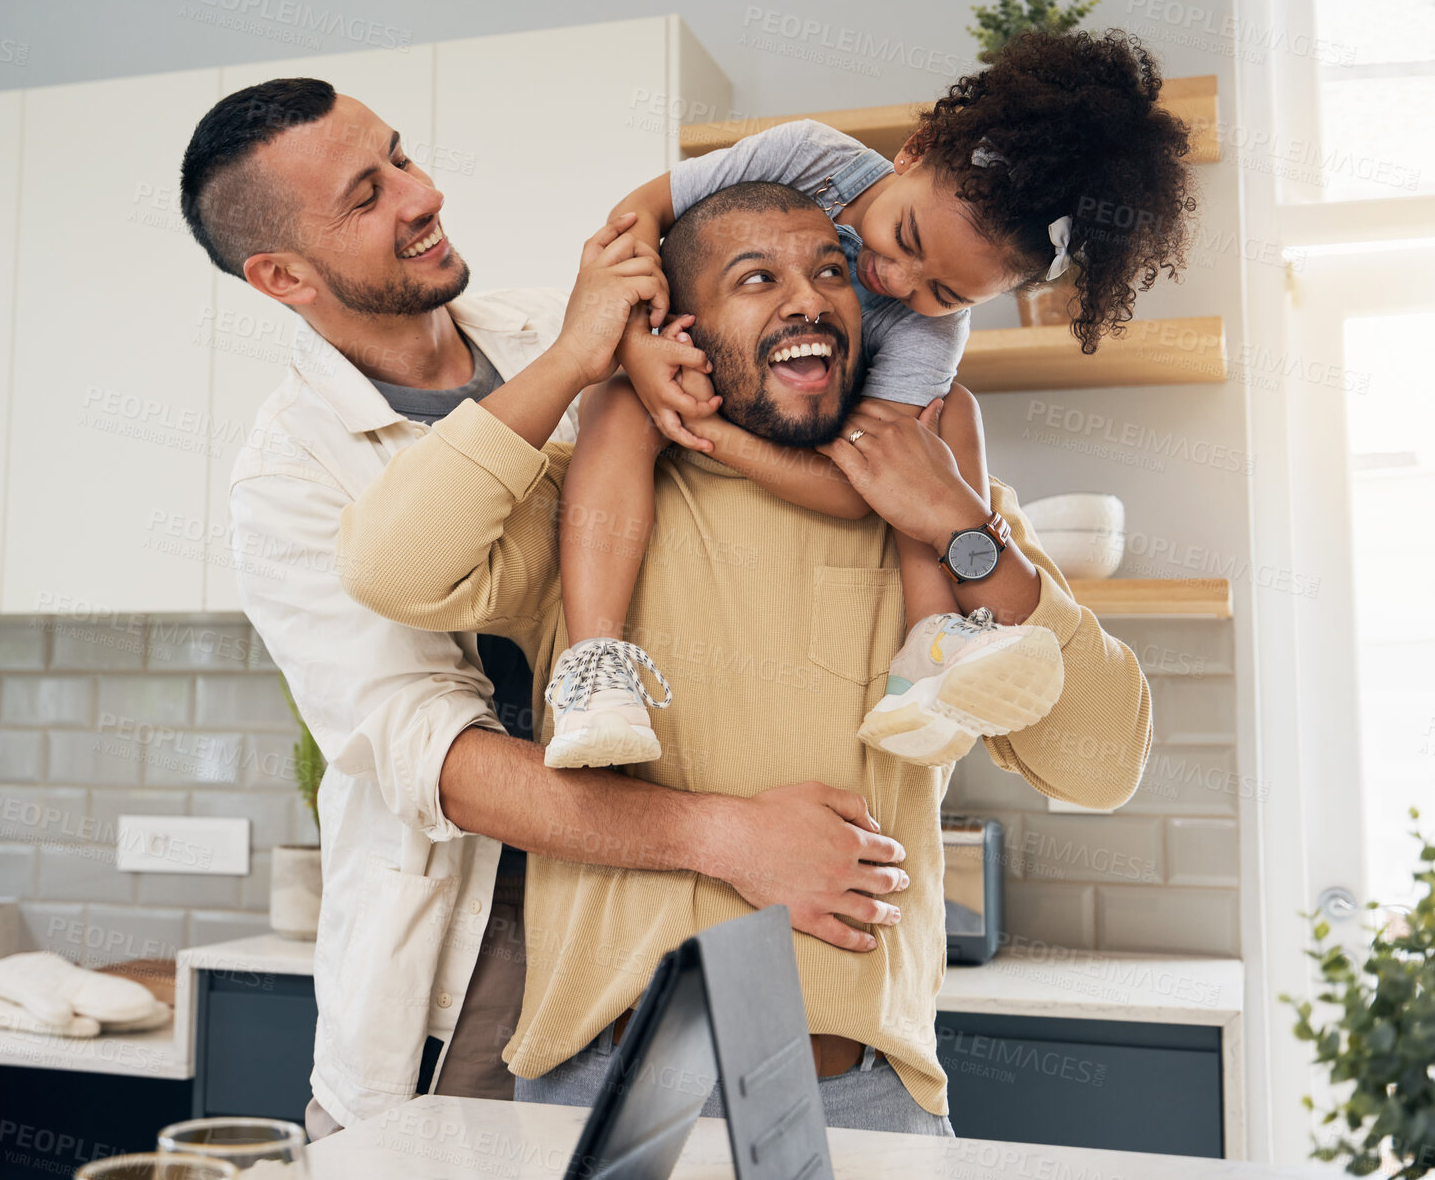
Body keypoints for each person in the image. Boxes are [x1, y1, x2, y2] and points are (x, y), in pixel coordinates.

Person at [179, 78, 917, 1137]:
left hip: (663, 916)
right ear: (282, 273)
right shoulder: (289, 477)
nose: (421, 194)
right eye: (364, 195)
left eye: (401, 156)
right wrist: (733, 835)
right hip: (476, 954)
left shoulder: (570, 332)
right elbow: (447, 763)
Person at [338, 182, 1153, 1130]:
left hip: (854, 1104)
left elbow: (1102, 766)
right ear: (681, 327)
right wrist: (576, 358)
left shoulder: (941, 509)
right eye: (756, 278)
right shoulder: (593, 509)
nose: (809, 299)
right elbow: (389, 567)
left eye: (832, 272)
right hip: (592, 1092)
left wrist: (966, 529)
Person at [543, 29, 1194, 772]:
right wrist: (637, 351)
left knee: (945, 419)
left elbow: (871, 487)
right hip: (679, 369)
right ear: (912, 152)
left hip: (811, 440)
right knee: (618, 405)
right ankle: (595, 669)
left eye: (945, 291)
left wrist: (711, 434)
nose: (898, 281)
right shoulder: (808, 153)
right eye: (903, 236)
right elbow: (633, 222)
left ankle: (933, 639)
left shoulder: (930, 336)